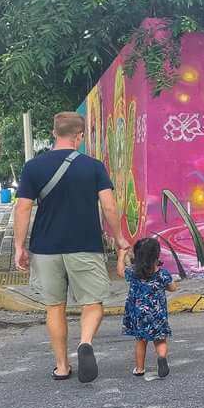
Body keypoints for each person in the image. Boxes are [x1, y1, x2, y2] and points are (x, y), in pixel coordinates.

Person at [14, 112, 128, 383]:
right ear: (80, 136)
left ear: (54, 133)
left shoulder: (33, 167)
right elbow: (109, 206)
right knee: (93, 302)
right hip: (85, 245)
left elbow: (23, 208)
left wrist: (20, 246)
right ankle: (85, 342)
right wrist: (120, 237)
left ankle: (62, 366)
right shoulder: (94, 166)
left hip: (45, 248)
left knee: (54, 307)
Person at [117, 238, 178, 378]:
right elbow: (173, 288)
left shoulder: (133, 273)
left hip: (139, 315)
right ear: (157, 256)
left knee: (141, 341)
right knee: (160, 339)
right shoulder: (162, 274)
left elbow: (120, 272)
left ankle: (139, 368)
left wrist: (121, 256)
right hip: (158, 314)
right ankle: (161, 357)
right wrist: (168, 285)